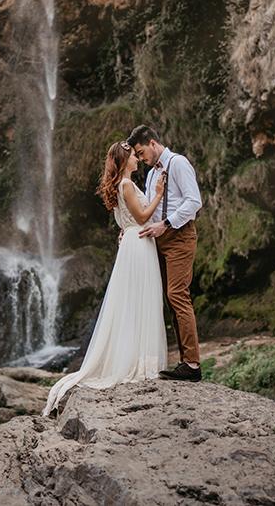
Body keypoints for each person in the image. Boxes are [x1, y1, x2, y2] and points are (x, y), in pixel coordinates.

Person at [42, 140, 168, 417]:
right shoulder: (125, 185)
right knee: (140, 301)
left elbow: (128, 221)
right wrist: (158, 194)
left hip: (135, 243)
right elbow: (142, 215)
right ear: (125, 161)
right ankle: (140, 361)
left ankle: (138, 357)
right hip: (138, 245)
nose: (137, 158)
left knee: (137, 301)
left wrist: (126, 229)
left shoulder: (123, 185)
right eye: (134, 156)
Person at [127, 124, 203, 382]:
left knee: (177, 293)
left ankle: (192, 364)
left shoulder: (178, 163)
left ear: (152, 143)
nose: (139, 158)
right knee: (169, 299)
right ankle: (183, 361)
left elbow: (194, 201)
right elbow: (148, 206)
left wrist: (167, 224)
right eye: (136, 156)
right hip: (158, 238)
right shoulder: (150, 175)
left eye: (140, 152)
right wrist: (129, 228)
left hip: (179, 235)